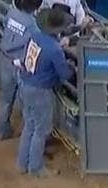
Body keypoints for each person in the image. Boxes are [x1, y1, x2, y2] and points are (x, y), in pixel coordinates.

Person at [17, 9, 75, 177]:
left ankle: (23, 163)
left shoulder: (34, 36)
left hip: (25, 83)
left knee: (29, 125)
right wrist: (71, 66)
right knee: (40, 130)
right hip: (40, 90)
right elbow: (65, 74)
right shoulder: (55, 49)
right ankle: (35, 168)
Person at [0, 0, 43, 141]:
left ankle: (2, 131)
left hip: (6, 58)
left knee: (6, 99)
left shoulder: (12, 13)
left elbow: (4, 24)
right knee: (27, 104)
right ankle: (28, 137)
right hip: (21, 65)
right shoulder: (33, 25)